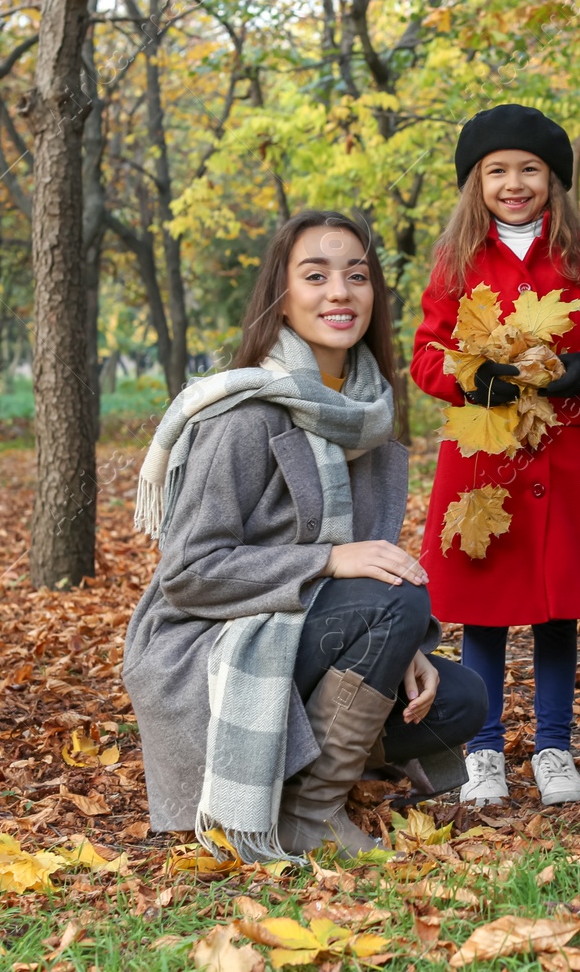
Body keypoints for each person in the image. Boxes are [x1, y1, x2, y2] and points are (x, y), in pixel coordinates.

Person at [123, 210, 487, 860]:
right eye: (315, 275)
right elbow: (187, 572)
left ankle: (293, 773)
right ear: (282, 298)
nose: (340, 292)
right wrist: (331, 560)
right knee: (398, 597)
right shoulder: (244, 415)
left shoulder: (368, 414)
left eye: (356, 275)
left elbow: (369, 576)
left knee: (460, 698)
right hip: (211, 639)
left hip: (298, 627)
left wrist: (395, 642)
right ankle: (307, 811)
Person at [412, 105, 580, 807]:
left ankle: (554, 747)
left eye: (530, 170)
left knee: (555, 607)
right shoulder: (457, 258)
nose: (514, 183)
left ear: (553, 179)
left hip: (566, 453)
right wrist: (464, 374)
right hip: (485, 457)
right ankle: (483, 750)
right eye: (497, 172)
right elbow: (427, 353)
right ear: (475, 182)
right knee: (485, 607)